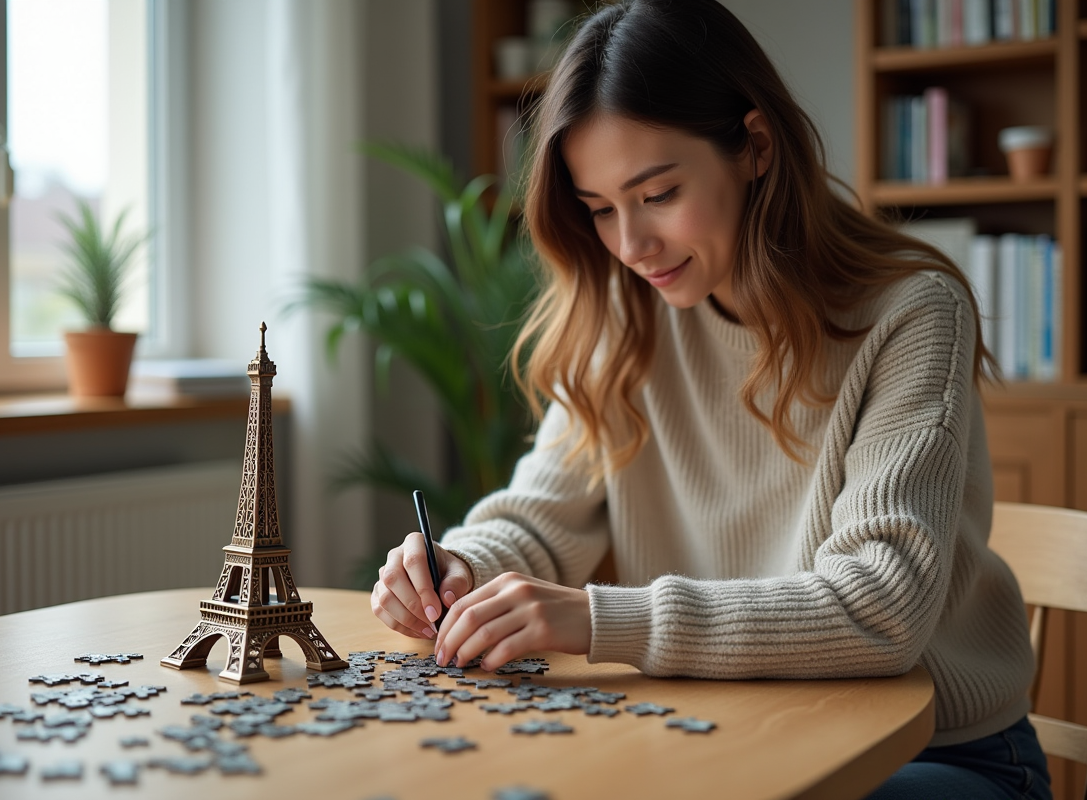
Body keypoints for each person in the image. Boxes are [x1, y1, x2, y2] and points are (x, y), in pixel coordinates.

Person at [371, 1, 1051, 797]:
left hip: (932, 754)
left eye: (657, 193)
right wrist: (459, 570)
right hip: (722, 740)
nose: (630, 245)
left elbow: (880, 606)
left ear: (755, 147)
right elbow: (542, 520)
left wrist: (597, 619)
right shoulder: (623, 316)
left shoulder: (913, 312)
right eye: (599, 211)